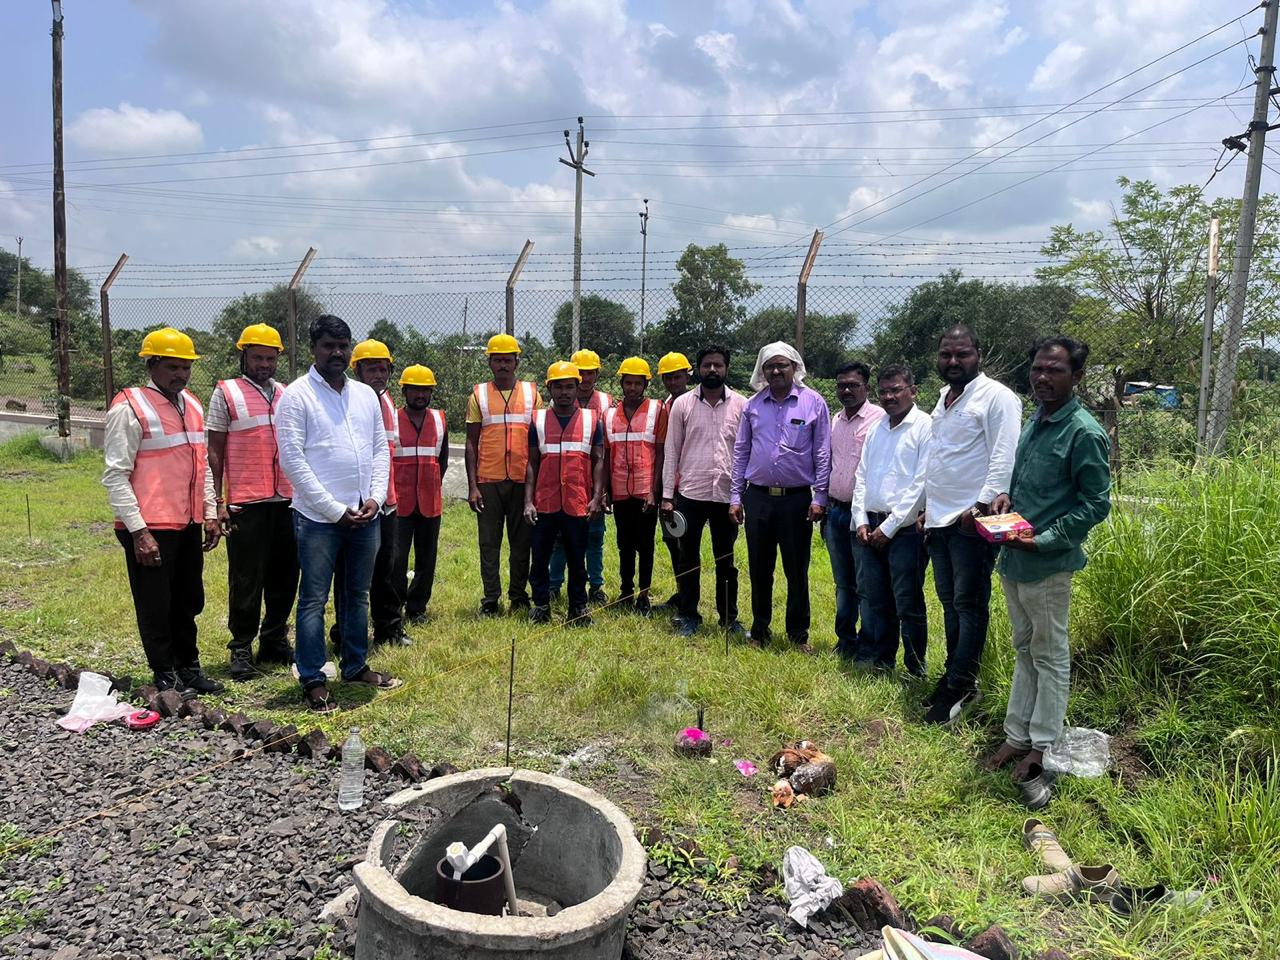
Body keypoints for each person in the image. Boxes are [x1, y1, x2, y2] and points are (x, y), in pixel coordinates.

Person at [983, 337, 1111, 781]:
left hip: (1048, 563)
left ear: (1077, 377)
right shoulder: (1036, 421)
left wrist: (1045, 540)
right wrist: (1005, 499)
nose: (1042, 377)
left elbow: (1096, 503)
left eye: (1054, 370)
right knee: (1024, 649)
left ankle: (1043, 745)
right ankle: (1016, 735)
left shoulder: (1083, 432)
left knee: (1050, 654)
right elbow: (1025, 482)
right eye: (1037, 368)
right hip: (1015, 558)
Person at [276, 315, 399, 713]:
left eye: (343, 346)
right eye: (329, 345)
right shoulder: (297, 396)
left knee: (357, 594)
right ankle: (313, 677)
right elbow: (292, 461)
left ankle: (355, 665)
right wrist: (333, 509)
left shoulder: (365, 395)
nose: (337, 353)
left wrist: (375, 498)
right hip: (317, 519)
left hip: (365, 514)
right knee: (313, 598)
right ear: (314, 348)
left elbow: (379, 449)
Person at [102, 327, 223, 696]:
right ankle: (165, 672)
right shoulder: (129, 408)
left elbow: (201, 465)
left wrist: (210, 512)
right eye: (172, 367)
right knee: (156, 604)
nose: (181, 374)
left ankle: (189, 668)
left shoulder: (193, 405)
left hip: (186, 522)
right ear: (151, 365)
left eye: (186, 367)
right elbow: (115, 475)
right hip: (149, 527)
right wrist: (139, 532)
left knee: (188, 600)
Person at [923, 325, 1023, 725]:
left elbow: (1004, 455)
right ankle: (954, 673)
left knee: (969, 604)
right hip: (939, 519)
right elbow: (940, 456)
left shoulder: (997, 397)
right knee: (950, 602)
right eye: (946, 354)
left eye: (961, 354)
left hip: (970, 521)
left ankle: (963, 684)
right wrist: (927, 509)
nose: (953, 361)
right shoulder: (944, 398)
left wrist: (979, 509)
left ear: (978, 354)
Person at [206, 323, 298, 682]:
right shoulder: (226, 393)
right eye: (258, 357)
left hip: (287, 499)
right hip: (246, 501)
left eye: (270, 359)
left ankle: (274, 639)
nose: (264, 364)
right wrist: (217, 500)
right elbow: (214, 451)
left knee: (285, 575)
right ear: (244, 356)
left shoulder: (287, 393)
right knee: (247, 578)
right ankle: (241, 647)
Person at [729, 342, 830, 652]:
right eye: (770, 366)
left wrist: (820, 497)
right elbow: (741, 451)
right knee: (760, 568)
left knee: (796, 569)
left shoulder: (813, 402)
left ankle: (798, 635)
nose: (776, 371)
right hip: (758, 498)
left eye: (782, 365)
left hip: (796, 500)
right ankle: (760, 632)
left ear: (794, 368)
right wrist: (735, 497)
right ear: (762, 370)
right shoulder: (753, 405)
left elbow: (822, 452)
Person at [661, 345, 747, 639]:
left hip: (726, 495)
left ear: (726, 369)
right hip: (690, 493)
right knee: (688, 558)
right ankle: (688, 615)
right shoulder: (683, 405)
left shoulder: (742, 405)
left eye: (718, 365)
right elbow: (671, 451)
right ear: (697, 369)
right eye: (707, 365)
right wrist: (667, 496)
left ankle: (729, 619)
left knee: (726, 560)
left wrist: (741, 495)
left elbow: (746, 452)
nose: (712, 370)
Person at [851, 365, 931, 675]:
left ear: (913, 391)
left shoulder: (925, 427)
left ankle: (915, 668)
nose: (889, 397)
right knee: (877, 600)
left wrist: (889, 527)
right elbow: (861, 476)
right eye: (883, 391)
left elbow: (921, 484)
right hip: (871, 526)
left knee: (908, 603)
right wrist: (860, 519)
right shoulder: (877, 428)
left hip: (905, 531)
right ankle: (883, 662)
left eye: (896, 390)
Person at [525, 362, 606, 626]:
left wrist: (596, 497)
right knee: (539, 558)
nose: (564, 392)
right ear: (549, 388)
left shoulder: (592, 420)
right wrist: (528, 501)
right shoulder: (537, 420)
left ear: (577, 387)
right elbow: (532, 463)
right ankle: (541, 605)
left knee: (577, 559)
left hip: (577, 502)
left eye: (569, 387)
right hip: (545, 502)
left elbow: (598, 460)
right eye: (558, 387)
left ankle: (578, 608)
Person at [465, 333, 541, 616]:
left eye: (508, 360)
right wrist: (473, 486)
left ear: (517, 362)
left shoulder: (533, 394)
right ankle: (490, 599)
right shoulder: (479, 395)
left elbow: (539, 440)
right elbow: (471, 442)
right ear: (490, 363)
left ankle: (519, 596)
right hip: (489, 480)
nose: (503, 365)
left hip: (523, 480)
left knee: (522, 543)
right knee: (489, 543)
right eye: (497, 360)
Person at [343, 339, 405, 646]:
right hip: (357, 503)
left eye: (383, 369)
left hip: (385, 500)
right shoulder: (349, 401)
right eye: (371, 369)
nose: (379, 375)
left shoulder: (387, 401)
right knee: (352, 574)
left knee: (386, 570)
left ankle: (388, 629)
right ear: (357, 371)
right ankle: (345, 632)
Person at [826, 362, 885, 661]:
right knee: (843, 583)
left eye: (853, 385)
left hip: (863, 516)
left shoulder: (880, 419)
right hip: (834, 512)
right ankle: (845, 640)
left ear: (867, 387)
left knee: (866, 585)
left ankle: (868, 646)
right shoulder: (835, 420)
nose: (846, 390)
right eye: (841, 385)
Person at [605, 357, 668, 614]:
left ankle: (644, 593)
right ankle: (625, 591)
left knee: (646, 544)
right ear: (621, 383)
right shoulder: (610, 414)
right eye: (628, 383)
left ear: (645, 385)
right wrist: (607, 491)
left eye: (637, 383)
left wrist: (655, 490)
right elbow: (607, 455)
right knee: (624, 543)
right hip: (620, 490)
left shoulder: (657, 410)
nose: (632, 388)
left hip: (646, 491)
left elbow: (661, 453)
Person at [549, 348, 612, 604]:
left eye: (590, 373)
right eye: (581, 373)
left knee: (594, 537)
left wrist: (603, 490)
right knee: (560, 539)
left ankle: (595, 586)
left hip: (594, 484)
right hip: (565, 483)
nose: (585, 378)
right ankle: (554, 585)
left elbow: (607, 451)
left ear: (598, 374)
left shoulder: (607, 403)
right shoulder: (558, 402)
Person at [391, 364, 448, 629]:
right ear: (404, 391)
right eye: (415, 389)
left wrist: (431, 484)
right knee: (396, 559)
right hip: (399, 502)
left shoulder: (439, 419)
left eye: (426, 390)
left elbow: (442, 461)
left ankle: (417, 607)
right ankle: (394, 605)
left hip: (429, 501)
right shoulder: (392, 418)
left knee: (427, 558)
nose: (421, 395)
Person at [656, 351, 694, 609]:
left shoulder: (696, 404)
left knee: (687, 543)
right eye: (667, 378)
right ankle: (682, 592)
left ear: (687, 376)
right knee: (672, 540)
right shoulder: (663, 408)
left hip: (690, 487)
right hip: (668, 486)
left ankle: (690, 597)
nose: (672, 382)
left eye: (677, 377)